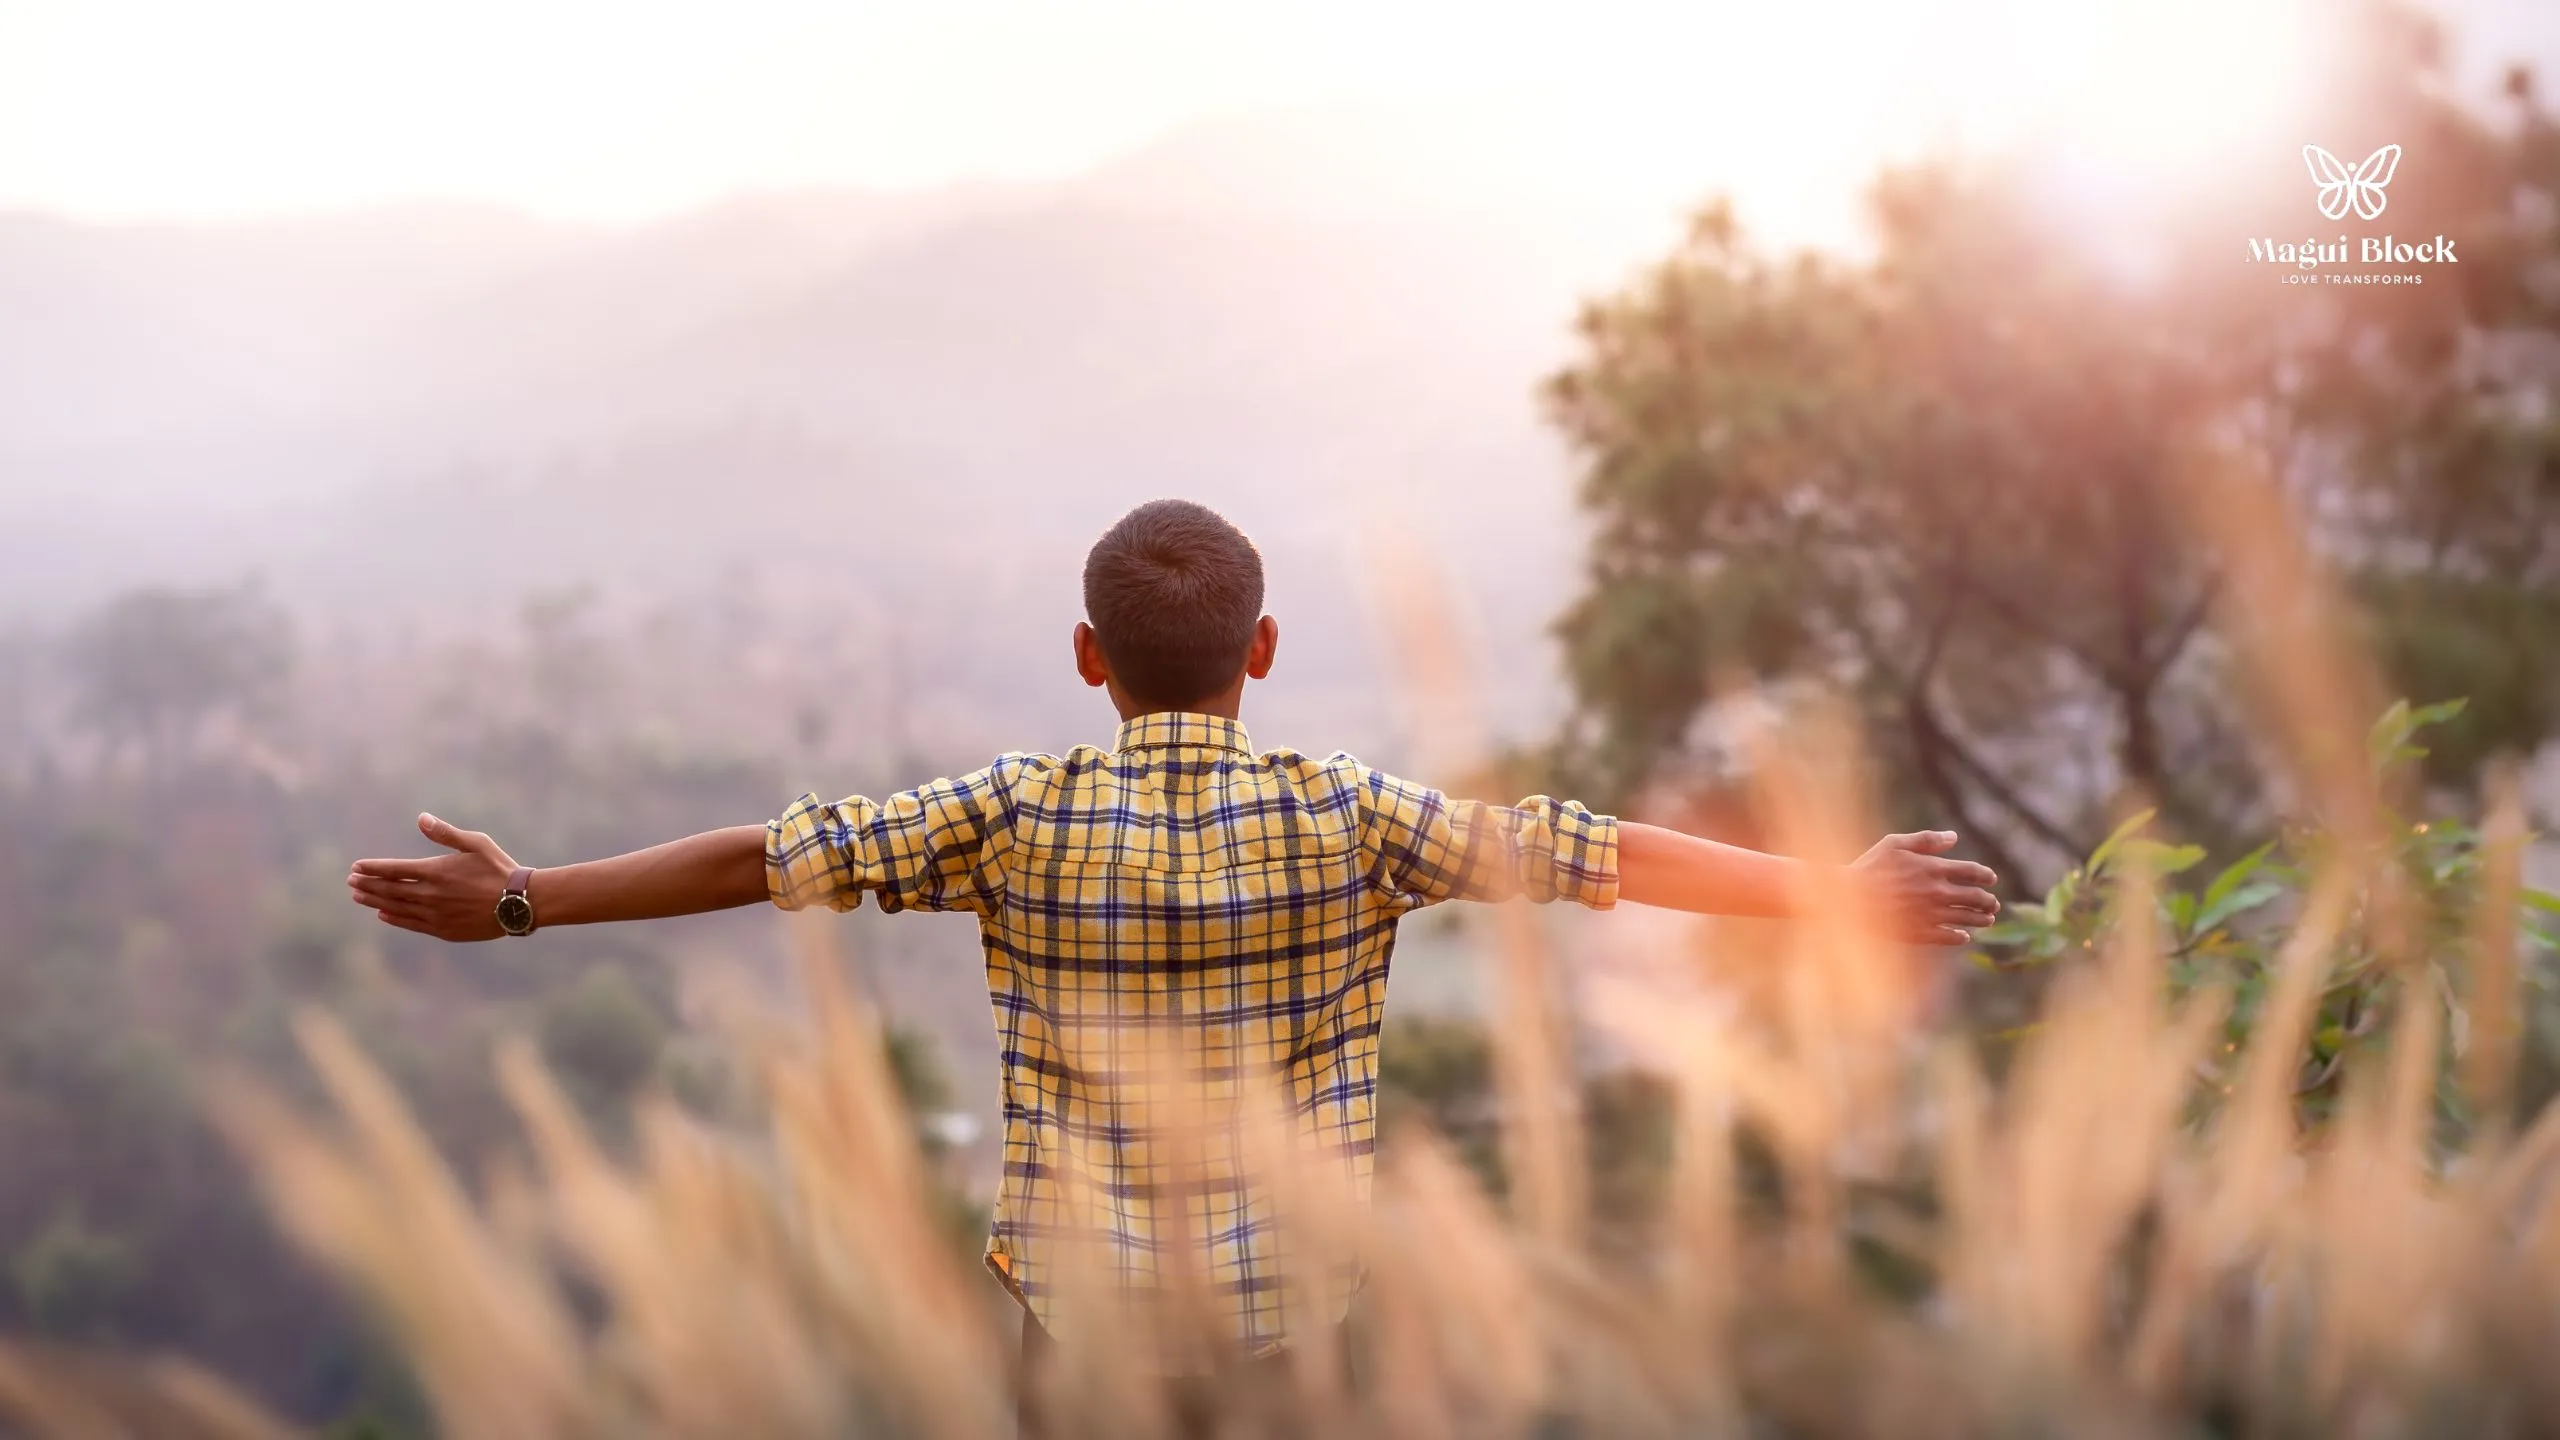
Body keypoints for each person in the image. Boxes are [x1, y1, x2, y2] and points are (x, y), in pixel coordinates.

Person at [346, 498, 1999, 1435]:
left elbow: (768, 855)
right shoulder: (1356, 818)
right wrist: (1828, 892)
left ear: (1089, 662)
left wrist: (528, 902)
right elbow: (1591, 850)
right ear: (1261, 654)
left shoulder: (1008, 814)